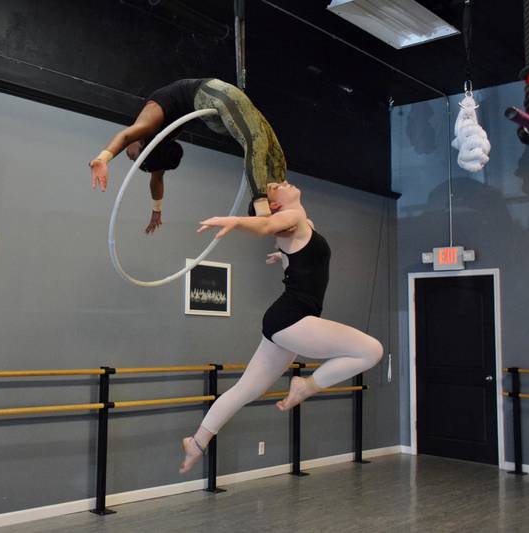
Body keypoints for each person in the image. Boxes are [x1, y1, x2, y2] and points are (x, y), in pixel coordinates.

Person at [178, 180, 383, 474]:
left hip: (286, 321)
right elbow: (265, 227)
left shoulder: (300, 221)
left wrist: (284, 256)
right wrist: (234, 221)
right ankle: (305, 386)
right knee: (371, 350)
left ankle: (196, 442)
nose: (282, 181)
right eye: (275, 186)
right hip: (293, 318)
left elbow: (286, 240)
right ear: (274, 205)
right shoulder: (293, 218)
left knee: (247, 389)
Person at [89, 78, 287, 233]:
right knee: (261, 143)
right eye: (133, 158)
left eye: (133, 157)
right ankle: (271, 202)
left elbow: (125, 136)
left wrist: (102, 158)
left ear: (142, 143)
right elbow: (156, 178)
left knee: (264, 144)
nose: (129, 156)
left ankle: (266, 206)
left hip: (210, 93)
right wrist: (156, 210)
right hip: (213, 114)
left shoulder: (147, 124)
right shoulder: (158, 141)